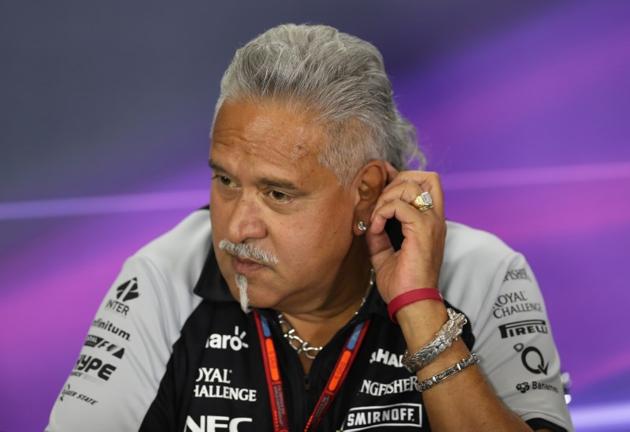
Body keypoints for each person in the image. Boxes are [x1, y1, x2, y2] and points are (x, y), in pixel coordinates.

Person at [47, 24, 573, 431]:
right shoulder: (165, 274)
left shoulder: (483, 272)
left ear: (365, 193)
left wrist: (419, 309)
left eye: (278, 193)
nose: (238, 225)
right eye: (226, 181)